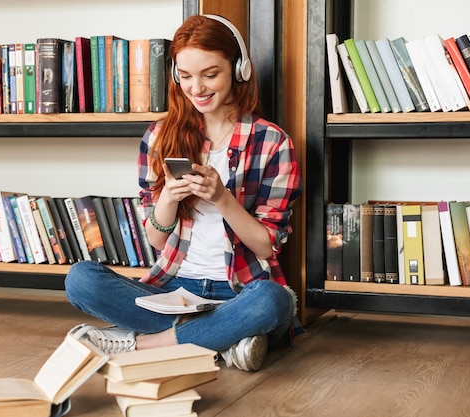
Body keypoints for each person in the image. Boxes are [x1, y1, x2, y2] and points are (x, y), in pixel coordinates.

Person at [65, 14, 302, 372]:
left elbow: (266, 246)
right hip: (173, 289)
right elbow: (156, 242)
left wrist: (223, 199)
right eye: (186, 76)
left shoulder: (272, 142)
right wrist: (168, 198)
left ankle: (141, 346)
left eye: (210, 74)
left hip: (239, 290)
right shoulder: (159, 136)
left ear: (238, 70)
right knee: (80, 279)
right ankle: (222, 342)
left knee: (273, 302)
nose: (197, 89)